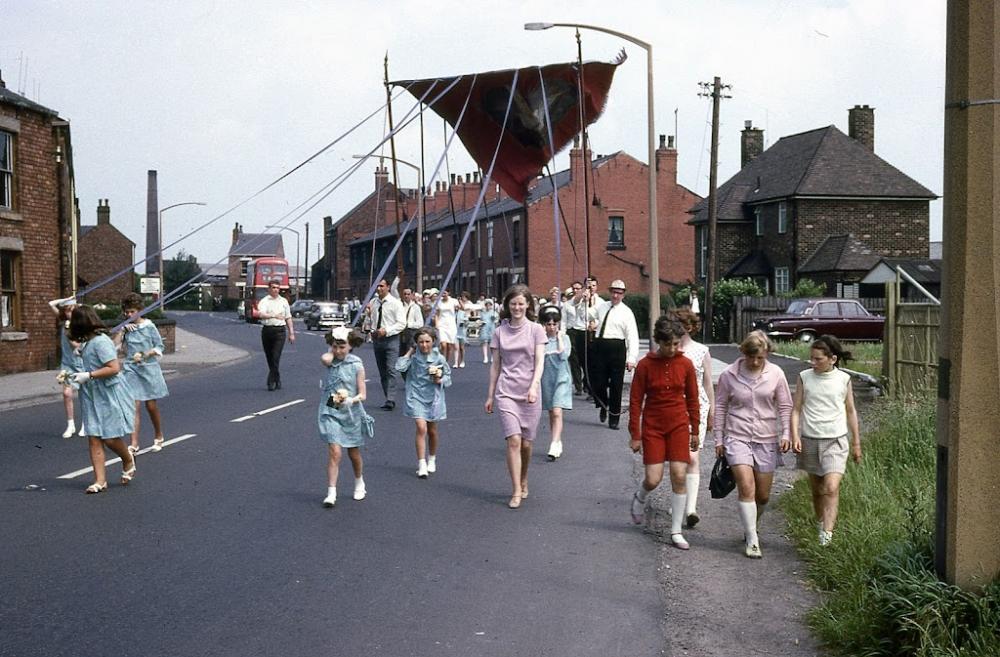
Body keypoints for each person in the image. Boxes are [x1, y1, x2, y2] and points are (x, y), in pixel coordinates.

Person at [714, 331, 793, 558]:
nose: (756, 362)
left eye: (760, 357)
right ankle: (752, 539)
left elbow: (785, 406)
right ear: (744, 353)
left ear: (767, 354)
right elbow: (720, 407)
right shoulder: (730, 375)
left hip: (766, 438)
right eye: (751, 357)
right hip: (737, 437)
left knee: (764, 495)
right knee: (746, 486)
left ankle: (752, 524)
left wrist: (786, 433)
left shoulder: (776, 373)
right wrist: (719, 438)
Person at [628, 317, 700, 549]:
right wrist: (635, 434)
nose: (672, 349)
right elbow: (636, 400)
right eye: (668, 344)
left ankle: (676, 530)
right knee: (653, 478)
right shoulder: (645, 365)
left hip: (679, 424)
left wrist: (695, 430)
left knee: (679, 475)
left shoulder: (685, 364)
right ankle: (640, 496)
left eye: (677, 344)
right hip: (653, 426)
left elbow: (693, 398)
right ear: (658, 341)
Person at [791, 335, 861, 547]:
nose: (813, 362)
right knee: (817, 488)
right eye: (811, 358)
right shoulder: (805, 377)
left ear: (832, 359)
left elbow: (850, 411)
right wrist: (795, 435)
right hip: (810, 439)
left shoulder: (843, 379)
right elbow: (796, 409)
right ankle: (820, 522)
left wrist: (857, 442)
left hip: (836, 440)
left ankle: (826, 537)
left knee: (830, 487)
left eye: (818, 359)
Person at [484, 284, 547, 509]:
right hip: (506, 392)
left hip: (529, 391)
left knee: (527, 445)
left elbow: (540, 361)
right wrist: (490, 395)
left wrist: (534, 386)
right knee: (514, 440)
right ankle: (516, 490)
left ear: (528, 305)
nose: (517, 307)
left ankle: (524, 477)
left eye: (521, 303)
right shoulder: (499, 332)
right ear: (507, 306)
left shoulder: (536, 330)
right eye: (513, 304)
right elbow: (495, 365)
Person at [68, 305, 137, 494]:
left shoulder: (101, 342)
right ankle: (100, 481)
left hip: (108, 393)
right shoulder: (88, 343)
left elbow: (114, 367)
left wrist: (88, 375)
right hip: (91, 394)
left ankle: (128, 459)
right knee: (94, 438)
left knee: (110, 438)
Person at [318, 326, 372, 507]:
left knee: (353, 453)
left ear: (350, 347)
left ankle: (359, 482)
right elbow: (324, 358)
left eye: (342, 347)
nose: (338, 350)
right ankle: (331, 493)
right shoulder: (330, 359)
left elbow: (363, 394)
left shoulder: (356, 364)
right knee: (335, 451)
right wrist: (331, 348)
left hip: (351, 411)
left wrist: (351, 399)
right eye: (335, 346)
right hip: (332, 407)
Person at [672, 307, 715, 529]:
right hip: (674, 409)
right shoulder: (669, 350)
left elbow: (708, 382)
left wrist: (713, 409)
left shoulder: (701, 351)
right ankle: (679, 497)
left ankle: (691, 508)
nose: (677, 328)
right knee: (678, 459)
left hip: (697, 408)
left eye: (680, 324)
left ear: (689, 327)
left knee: (693, 456)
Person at [396, 327, 452, 478]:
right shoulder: (413, 357)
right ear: (416, 343)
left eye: (427, 341)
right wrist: (409, 352)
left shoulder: (439, 358)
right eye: (420, 342)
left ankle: (432, 458)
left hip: (433, 397)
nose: (424, 345)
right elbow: (399, 367)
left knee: (432, 430)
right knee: (421, 428)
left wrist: (439, 378)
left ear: (433, 342)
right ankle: (421, 463)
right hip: (416, 395)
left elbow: (448, 378)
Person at [120, 293, 169, 455]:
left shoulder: (149, 326)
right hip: (131, 368)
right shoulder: (126, 328)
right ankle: (134, 443)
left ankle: (159, 435)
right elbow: (115, 347)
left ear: (140, 311)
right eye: (126, 312)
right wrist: (122, 331)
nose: (128, 315)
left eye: (132, 311)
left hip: (148, 368)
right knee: (134, 406)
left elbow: (159, 346)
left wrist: (146, 354)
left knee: (151, 405)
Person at [587, 279, 639, 430]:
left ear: (623, 295)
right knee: (598, 383)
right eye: (613, 292)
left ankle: (614, 418)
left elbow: (632, 337)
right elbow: (586, 315)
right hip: (600, 346)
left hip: (617, 349)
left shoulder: (627, 312)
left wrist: (631, 358)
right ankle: (603, 404)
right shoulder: (601, 306)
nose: (615, 295)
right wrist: (584, 300)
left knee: (616, 385)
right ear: (610, 292)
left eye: (619, 293)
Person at [49, 295, 86, 438]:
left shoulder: (81, 324)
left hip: (82, 363)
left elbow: (78, 346)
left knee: (84, 395)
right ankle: (70, 424)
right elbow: (51, 303)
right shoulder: (64, 322)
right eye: (66, 311)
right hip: (67, 363)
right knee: (66, 393)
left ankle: (85, 424)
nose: (68, 313)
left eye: (71, 310)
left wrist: (69, 334)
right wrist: (66, 299)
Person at [539, 305, 572, 461]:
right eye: (548, 324)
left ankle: (553, 443)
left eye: (554, 324)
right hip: (546, 378)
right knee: (552, 412)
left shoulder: (564, 338)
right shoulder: (540, 340)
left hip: (561, 377)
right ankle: (557, 440)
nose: (551, 327)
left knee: (558, 410)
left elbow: (564, 356)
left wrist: (559, 339)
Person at [368, 279, 405, 410]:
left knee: (391, 369)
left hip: (391, 339)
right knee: (382, 371)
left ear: (388, 287)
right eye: (377, 286)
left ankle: (391, 399)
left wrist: (387, 331)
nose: (379, 289)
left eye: (382, 286)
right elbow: (371, 321)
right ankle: (387, 396)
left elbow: (401, 323)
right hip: (377, 340)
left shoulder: (396, 303)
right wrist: (371, 329)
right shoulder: (373, 303)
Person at [256, 279, 295, 390]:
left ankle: (271, 381)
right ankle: (277, 378)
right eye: (273, 287)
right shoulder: (264, 301)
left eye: (277, 288)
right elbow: (261, 314)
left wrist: (291, 333)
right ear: (269, 289)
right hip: (267, 331)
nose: (276, 290)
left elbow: (288, 317)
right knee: (269, 357)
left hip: (280, 332)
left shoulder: (283, 301)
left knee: (275, 356)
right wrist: (273, 315)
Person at [564, 281, 587, 395]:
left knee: (584, 358)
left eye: (578, 288)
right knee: (574, 360)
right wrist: (563, 335)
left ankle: (586, 383)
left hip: (582, 331)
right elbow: (563, 320)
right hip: (571, 331)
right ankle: (578, 386)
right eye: (574, 288)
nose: (576, 290)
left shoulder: (585, 302)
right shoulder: (567, 304)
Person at [435, 289, 459, 365]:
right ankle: (442, 360)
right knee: (443, 344)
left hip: (451, 324)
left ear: (448, 293)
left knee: (449, 345)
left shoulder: (453, 301)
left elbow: (461, 308)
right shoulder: (439, 302)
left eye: (445, 293)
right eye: (442, 293)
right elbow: (437, 314)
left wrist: (459, 303)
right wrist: (436, 324)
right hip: (442, 324)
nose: (443, 294)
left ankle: (447, 361)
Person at [400, 287, 425, 354]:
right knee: (401, 354)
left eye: (408, 294)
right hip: (400, 333)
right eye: (404, 294)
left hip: (411, 333)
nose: (406, 296)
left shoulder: (416, 307)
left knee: (410, 353)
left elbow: (420, 323)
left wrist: (409, 324)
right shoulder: (399, 306)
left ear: (412, 295)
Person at [479, 298, 497, 364]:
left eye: (489, 305)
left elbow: (496, 321)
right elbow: (480, 320)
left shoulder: (494, 312)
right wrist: (481, 322)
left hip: (492, 328)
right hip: (484, 328)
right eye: (487, 305)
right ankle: (485, 357)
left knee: (492, 344)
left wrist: (494, 318)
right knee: (484, 343)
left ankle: (492, 357)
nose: (488, 306)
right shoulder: (482, 313)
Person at [454, 293, 469, 368]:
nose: (457, 307)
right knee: (456, 347)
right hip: (454, 331)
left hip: (462, 331)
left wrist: (464, 322)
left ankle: (462, 360)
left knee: (462, 347)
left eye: (458, 305)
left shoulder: (463, 313)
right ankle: (456, 362)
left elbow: (467, 321)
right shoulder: (453, 313)